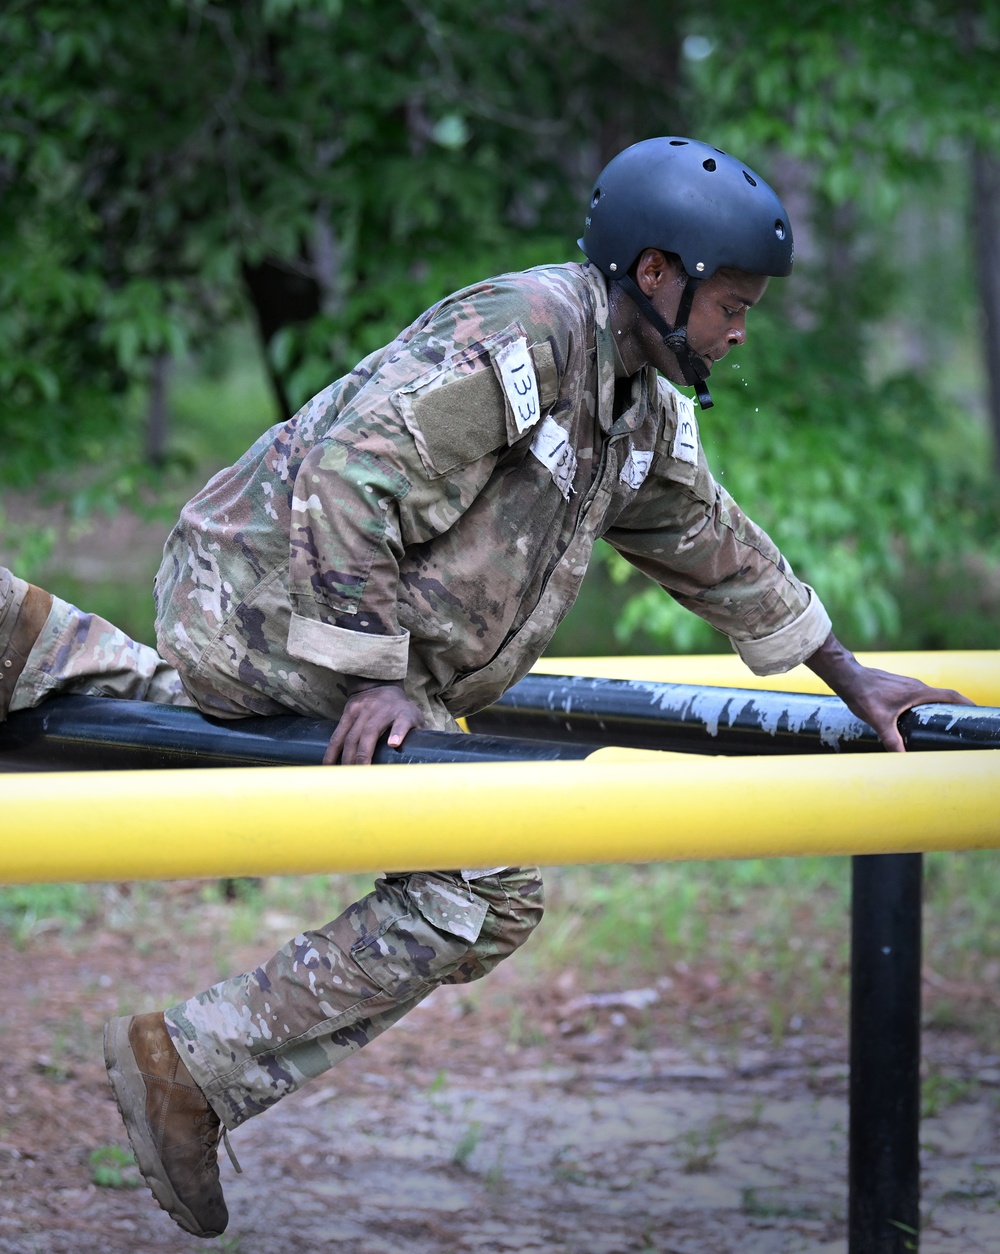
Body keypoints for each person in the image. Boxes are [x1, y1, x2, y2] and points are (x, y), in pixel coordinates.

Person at [0, 137, 971, 1239]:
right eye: (731, 303)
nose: (739, 328)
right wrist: (369, 674)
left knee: (475, 884)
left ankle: (39, 648)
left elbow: (705, 538)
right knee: (482, 888)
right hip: (265, 595)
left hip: (330, 624)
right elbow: (351, 471)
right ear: (656, 275)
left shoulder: (639, 400)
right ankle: (193, 1067)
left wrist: (843, 673)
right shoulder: (525, 335)